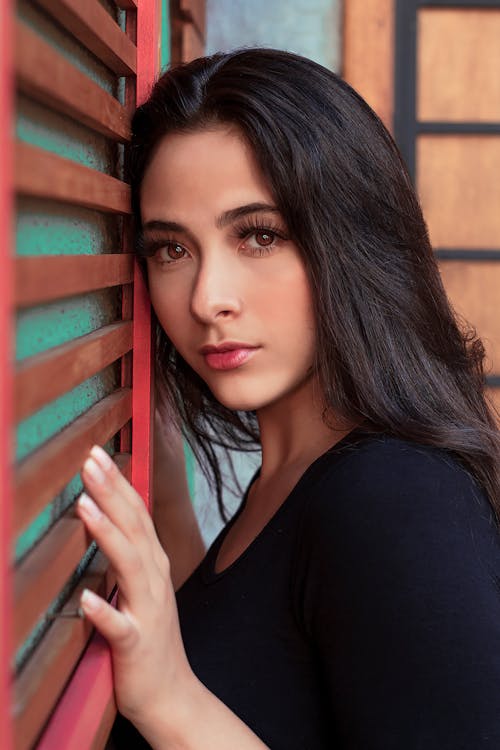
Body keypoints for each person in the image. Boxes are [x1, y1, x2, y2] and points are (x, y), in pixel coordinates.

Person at [76, 49, 500, 749]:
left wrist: (172, 703)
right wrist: (169, 501)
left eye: (259, 236)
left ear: (350, 241)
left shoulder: (393, 499)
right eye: (171, 250)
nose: (209, 299)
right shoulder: (293, 480)